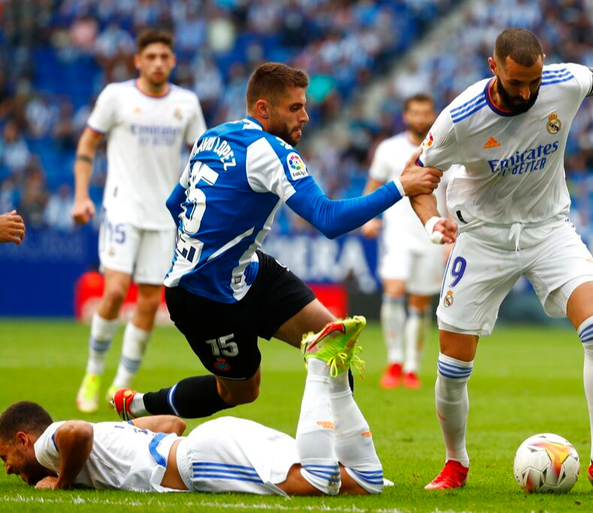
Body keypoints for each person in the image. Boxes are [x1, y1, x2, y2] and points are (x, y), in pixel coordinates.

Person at [408, 28, 593, 493]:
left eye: (534, 81)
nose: (527, 92)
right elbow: (415, 176)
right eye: (516, 84)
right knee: (453, 366)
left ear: (544, 65)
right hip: (482, 238)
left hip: (549, 228)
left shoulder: (563, 81)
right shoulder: (460, 119)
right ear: (495, 68)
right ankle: (456, 463)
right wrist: (433, 224)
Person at [109, 62, 440, 422]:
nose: (306, 117)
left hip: (246, 270)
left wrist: (204, 244)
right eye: (295, 108)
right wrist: (400, 187)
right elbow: (328, 219)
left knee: (334, 344)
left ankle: (340, 458)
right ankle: (140, 405)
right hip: (203, 296)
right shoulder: (269, 150)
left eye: (305, 106)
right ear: (264, 109)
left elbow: (175, 203)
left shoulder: (211, 136)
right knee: (240, 392)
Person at [0, 324, 383, 496]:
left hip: (200, 462)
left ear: (23, 439)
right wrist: (132, 426)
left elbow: (76, 434)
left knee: (320, 481)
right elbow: (174, 423)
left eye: (5, 456)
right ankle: (335, 374)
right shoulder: (109, 435)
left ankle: (319, 366)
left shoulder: (49, 444)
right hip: (213, 441)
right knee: (364, 482)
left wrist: (61, 483)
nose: (9, 468)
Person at [71, 29, 207, 414]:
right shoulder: (117, 96)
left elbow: (201, 156)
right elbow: (87, 144)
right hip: (122, 208)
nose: (158, 63)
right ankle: (94, 372)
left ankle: (121, 385)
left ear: (173, 61)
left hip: (165, 217)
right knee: (114, 292)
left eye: (165, 56)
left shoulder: (186, 103)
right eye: (151, 56)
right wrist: (82, 196)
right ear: (137, 61)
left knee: (149, 301)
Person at [361, 93, 452, 390]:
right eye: (415, 112)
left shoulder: (445, 150)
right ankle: (395, 361)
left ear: (432, 115)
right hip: (397, 234)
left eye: (426, 113)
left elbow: (451, 195)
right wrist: (369, 217)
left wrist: (453, 237)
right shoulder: (389, 149)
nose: (421, 118)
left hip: (430, 237)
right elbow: (373, 186)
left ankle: (412, 367)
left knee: (419, 302)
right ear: (406, 115)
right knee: (394, 290)